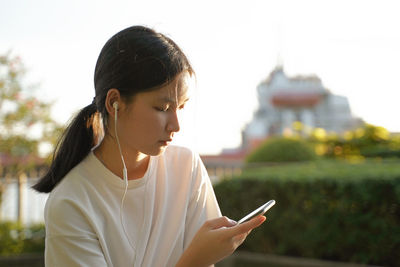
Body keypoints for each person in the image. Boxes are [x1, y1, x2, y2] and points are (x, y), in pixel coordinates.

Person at [33, 25, 266, 267]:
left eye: (182, 106)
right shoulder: (71, 202)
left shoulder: (186, 167)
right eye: (163, 109)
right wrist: (193, 261)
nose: (176, 125)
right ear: (115, 103)